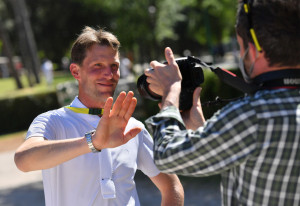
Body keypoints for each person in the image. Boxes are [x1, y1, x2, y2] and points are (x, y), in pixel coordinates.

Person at [144, 0, 300, 205]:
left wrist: (172, 90)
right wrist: (203, 130)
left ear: (252, 49)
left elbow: (167, 155)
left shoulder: (253, 116)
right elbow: (257, 161)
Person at [14, 26, 184, 206]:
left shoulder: (132, 127)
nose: (109, 74)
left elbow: (172, 187)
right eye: (98, 65)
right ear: (75, 72)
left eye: (114, 66)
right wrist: (93, 142)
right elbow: (23, 160)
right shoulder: (53, 121)